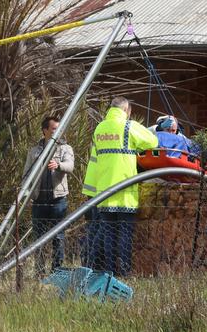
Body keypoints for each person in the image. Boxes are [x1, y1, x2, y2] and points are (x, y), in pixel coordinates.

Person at [86, 97, 158, 276]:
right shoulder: (129, 126)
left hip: (104, 192)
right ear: (128, 110)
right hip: (125, 192)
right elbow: (152, 142)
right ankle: (124, 273)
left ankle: (109, 272)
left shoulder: (100, 128)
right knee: (124, 234)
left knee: (109, 235)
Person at [24, 116, 74, 276]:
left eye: (59, 129)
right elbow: (26, 175)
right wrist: (27, 196)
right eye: (54, 129)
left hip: (58, 201)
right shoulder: (34, 151)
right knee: (38, 238)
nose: (57, 132)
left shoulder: (65, 148)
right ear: (45, 131)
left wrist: (59, 165)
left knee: (58, 237)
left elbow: (70, 166)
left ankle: (56, 271)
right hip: (39, 201)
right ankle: (39, 271)